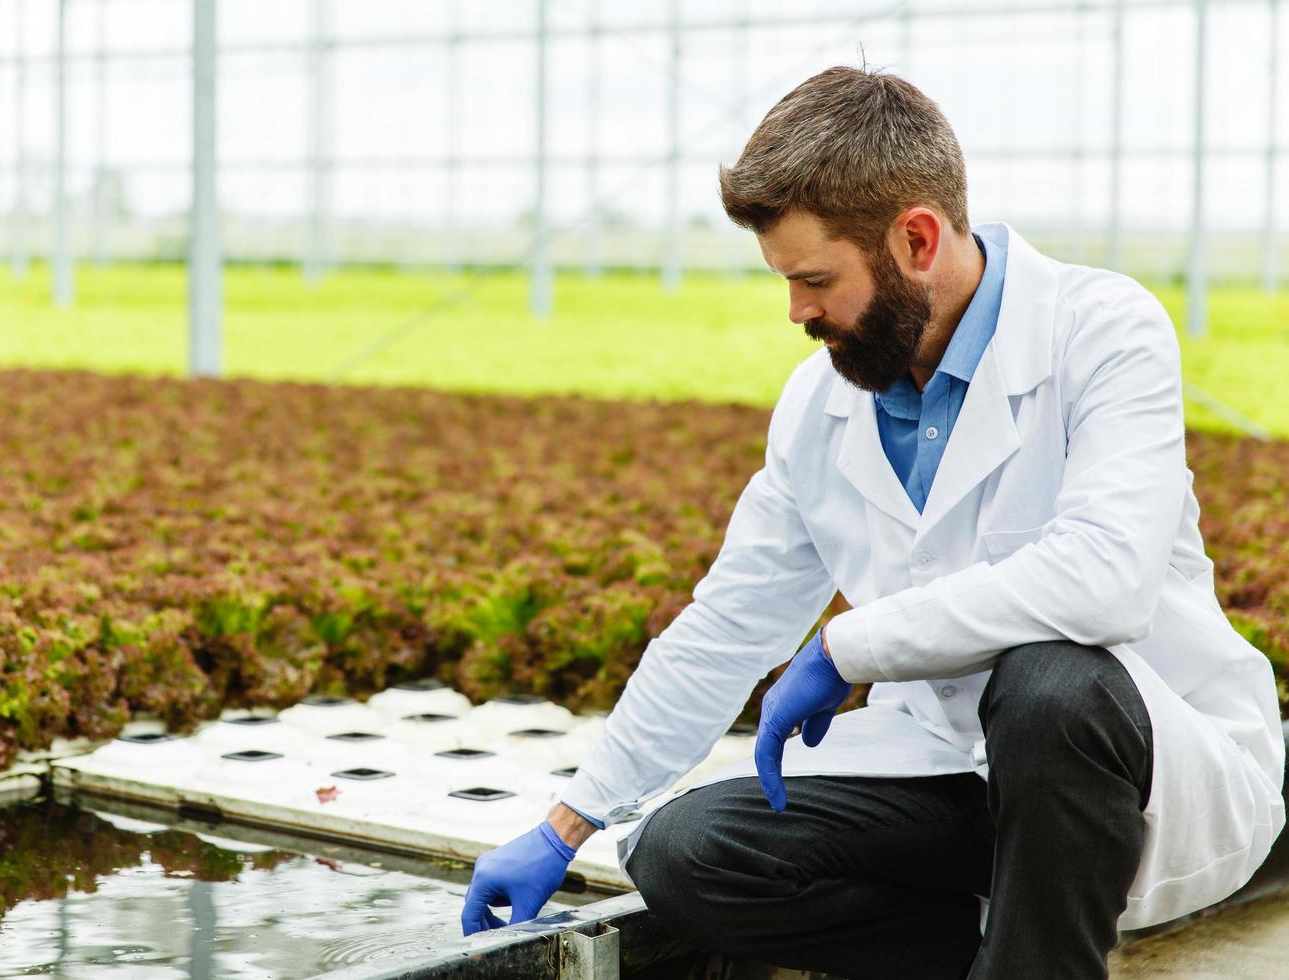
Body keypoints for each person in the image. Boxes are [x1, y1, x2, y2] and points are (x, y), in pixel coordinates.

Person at [459, 64, 1285, 979]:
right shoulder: (821, 405)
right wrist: (566, 823)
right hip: (951, 780)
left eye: (815, 279)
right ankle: (1004, 958)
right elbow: (726, 626)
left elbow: (1105, 578)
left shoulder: (1101, 332)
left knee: (1052, 679)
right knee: (682, 850)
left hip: (1144, 778)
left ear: (918, 239)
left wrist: (846, 648)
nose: (797, 312)